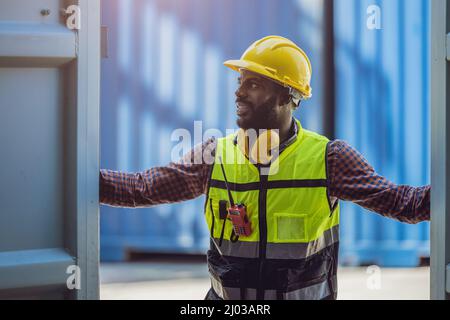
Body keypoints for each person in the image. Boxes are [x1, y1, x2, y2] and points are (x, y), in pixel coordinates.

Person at [100, 36, 430, 300]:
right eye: (241, 81)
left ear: (290, 95)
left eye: (254, 84)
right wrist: (66, 176)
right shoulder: (215, 157)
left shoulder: (329, 159)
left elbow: (404, 203)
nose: (239, 92)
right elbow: (141, 188)